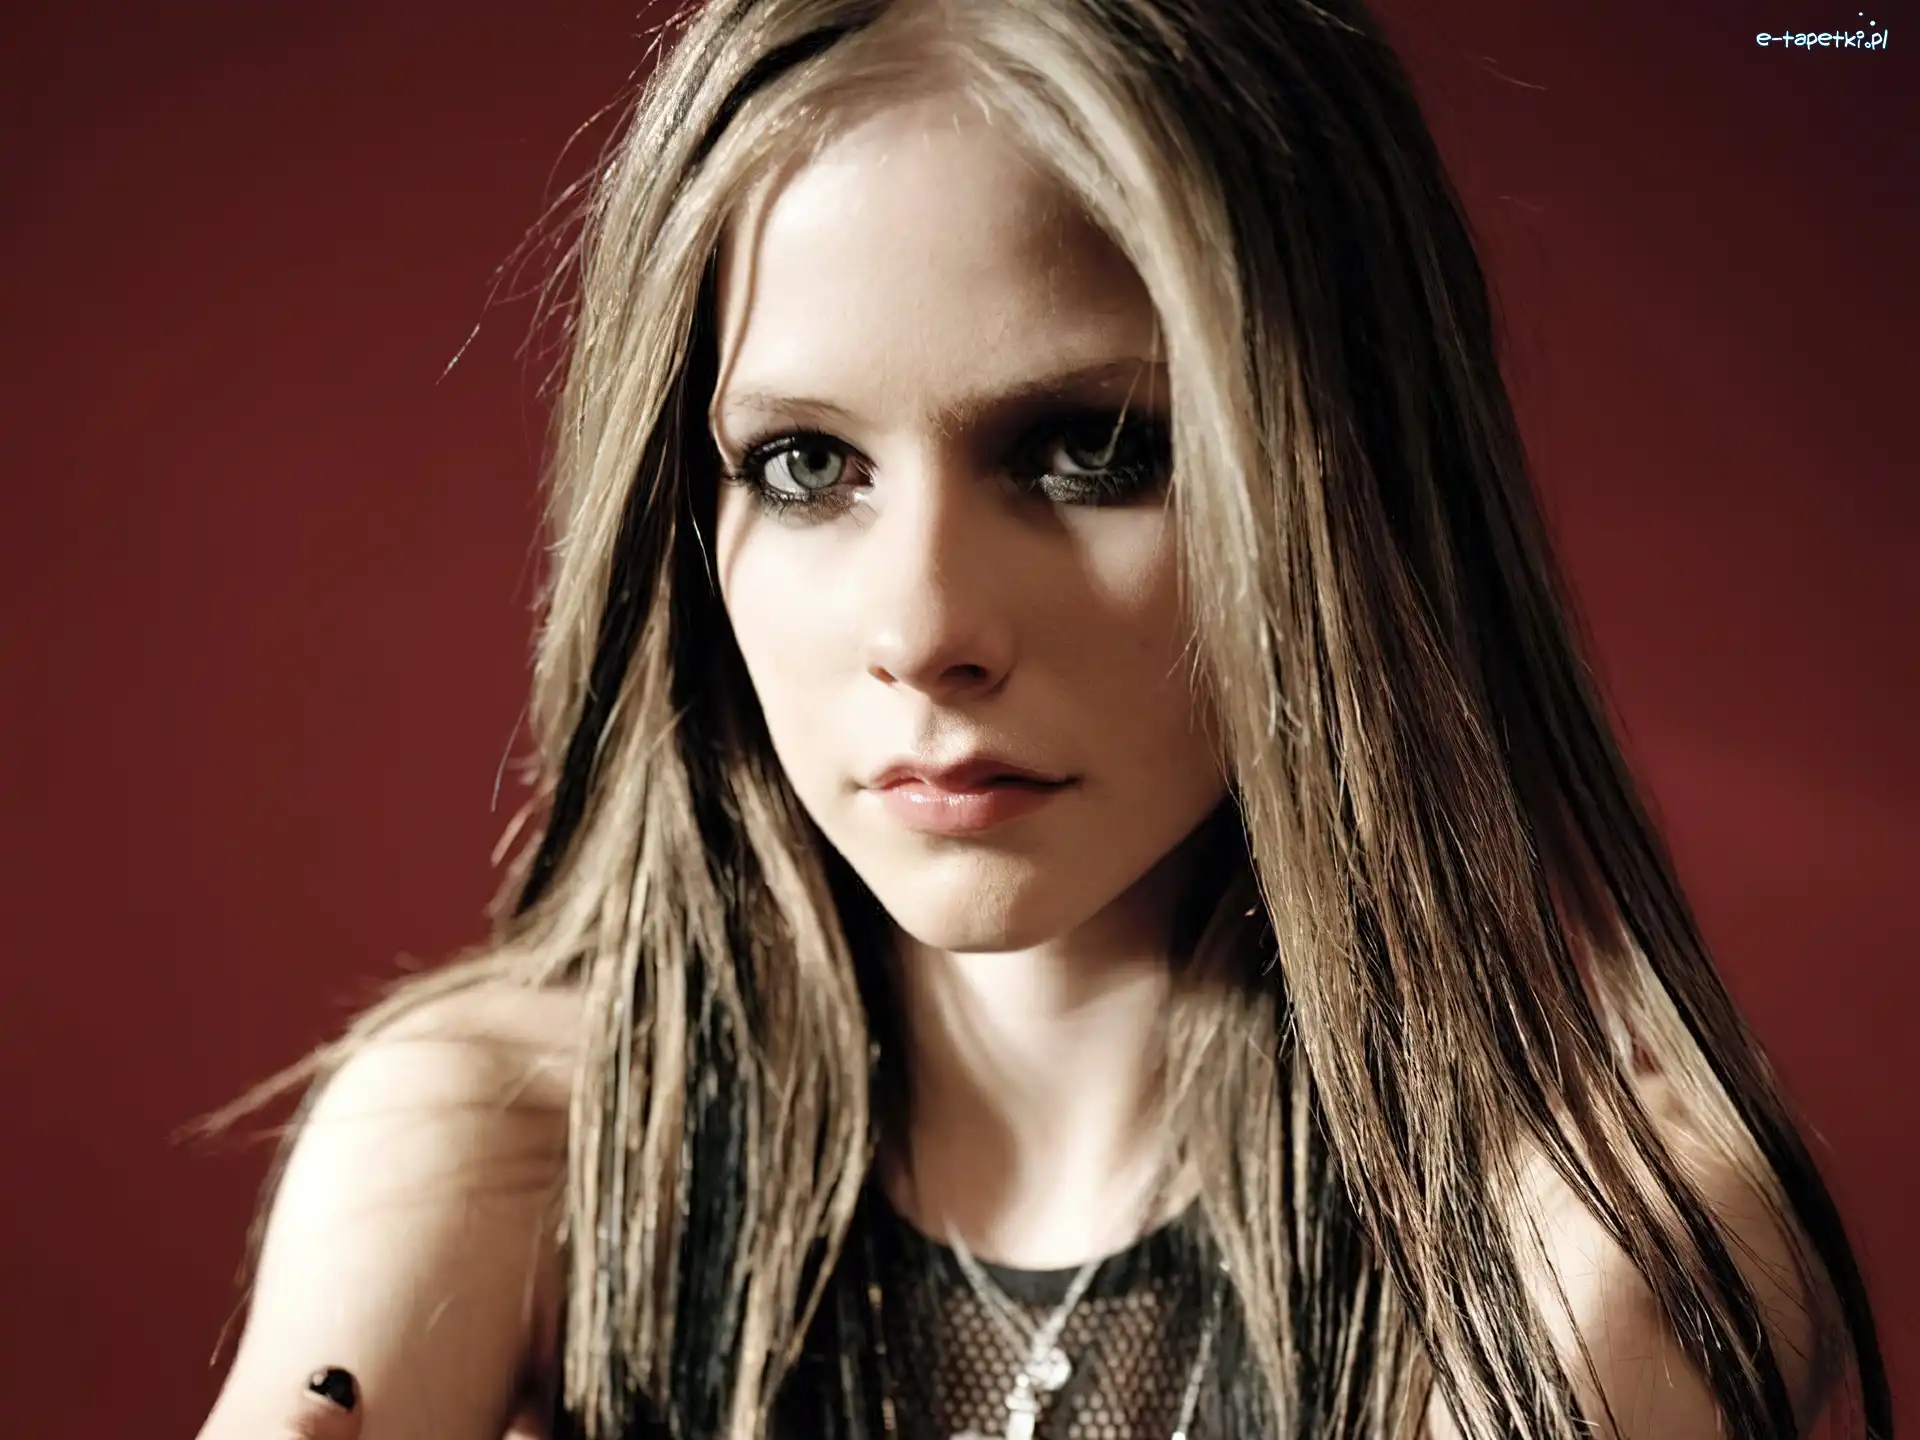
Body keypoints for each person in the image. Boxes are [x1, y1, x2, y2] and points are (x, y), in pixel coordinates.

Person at [192, 1, 1893, 1437]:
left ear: (1343, 482)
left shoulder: (1588, 1248)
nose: (925, 630)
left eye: (1092, 451)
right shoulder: (504, 1147)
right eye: (805, 464)